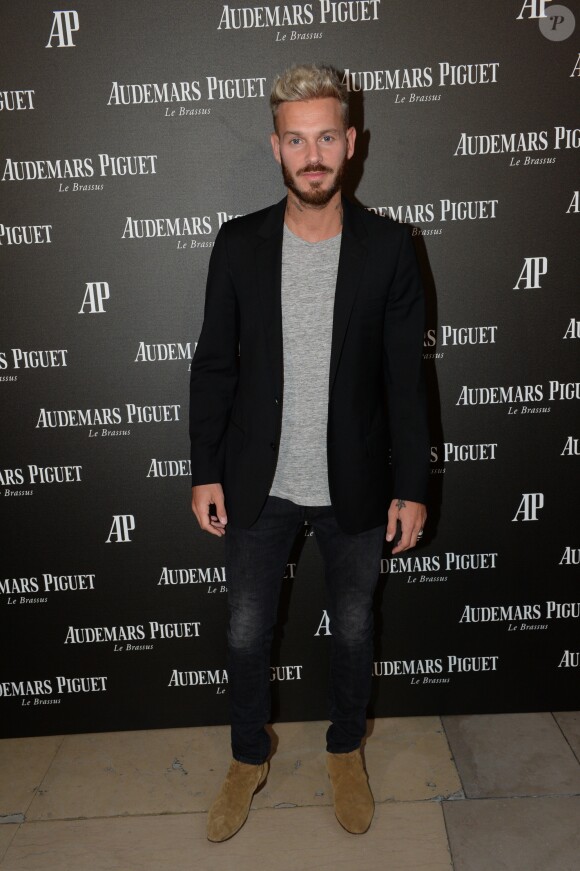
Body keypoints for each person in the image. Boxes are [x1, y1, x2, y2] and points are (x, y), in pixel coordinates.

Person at [190, 63, 429, 842]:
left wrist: (413, 485)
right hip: (259, 483)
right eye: (298, 139)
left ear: (351, 142)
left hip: (356, 485)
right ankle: (247, 755)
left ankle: (342, 750)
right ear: (276, 147)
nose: (314, 153)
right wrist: (205, 470)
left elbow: (405, 379)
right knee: (245, 631)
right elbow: (215, 366)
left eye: (328, 135)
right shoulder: (238, 244)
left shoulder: (391, 247)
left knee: (355, 627)